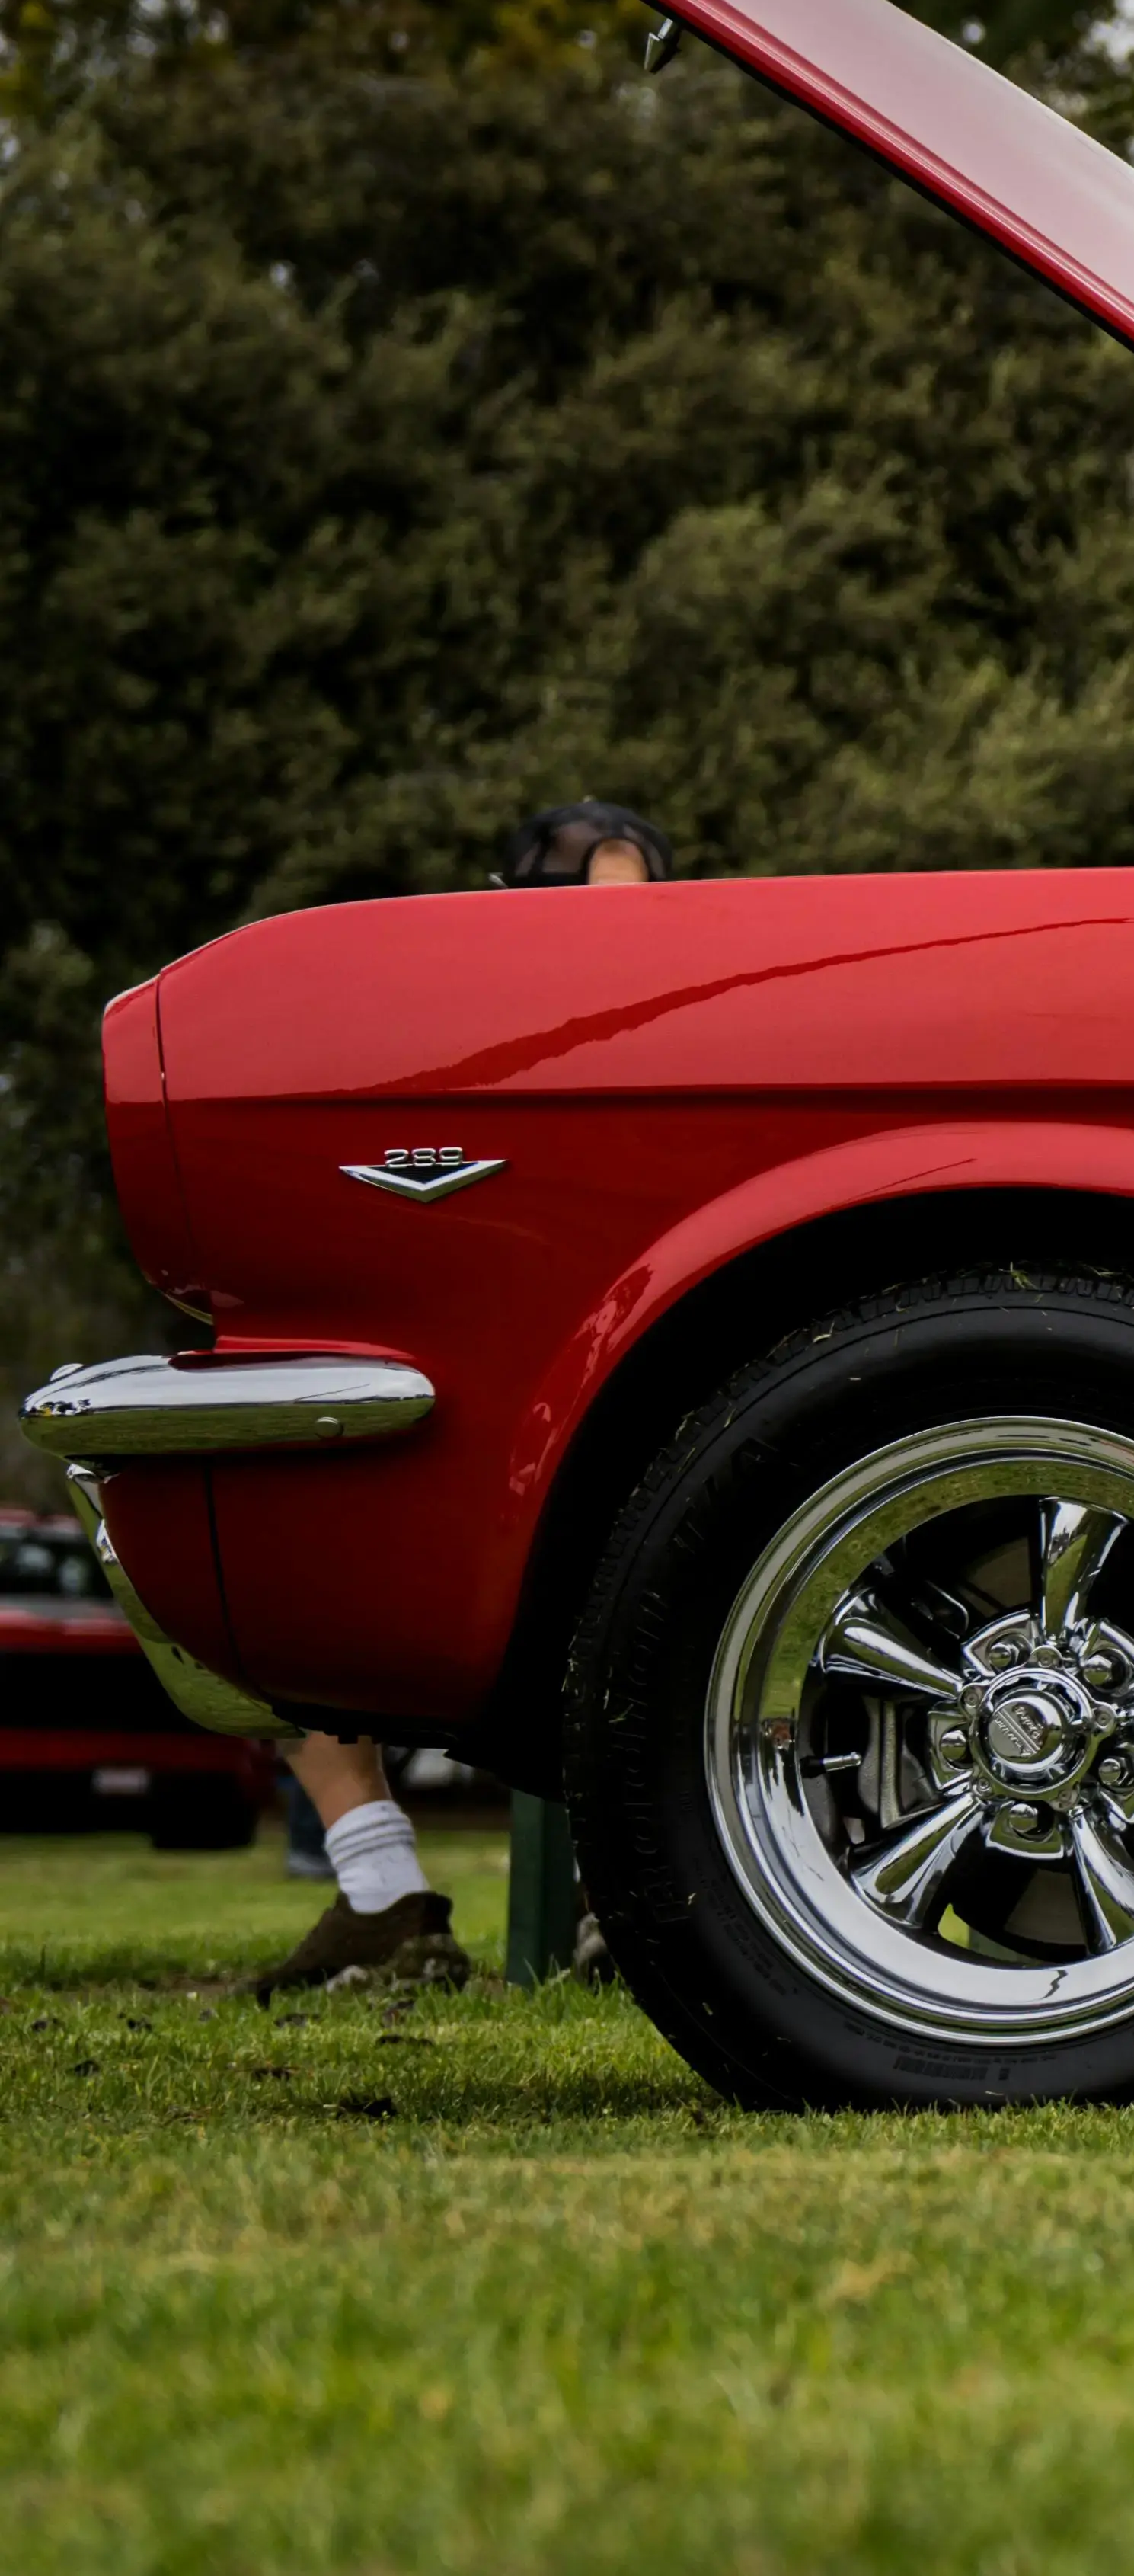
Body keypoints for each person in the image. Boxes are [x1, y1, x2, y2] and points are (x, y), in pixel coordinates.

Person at [244, 800, 674, 2000]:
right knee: (298, 1569)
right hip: (473, 1393)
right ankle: (383, 1894)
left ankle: (613, 1905)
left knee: (635, 1592)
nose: (613, 931)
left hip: (603, 1408)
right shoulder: (472, 1034)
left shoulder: (673, 1037)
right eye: (589, 902)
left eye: (635, 907)